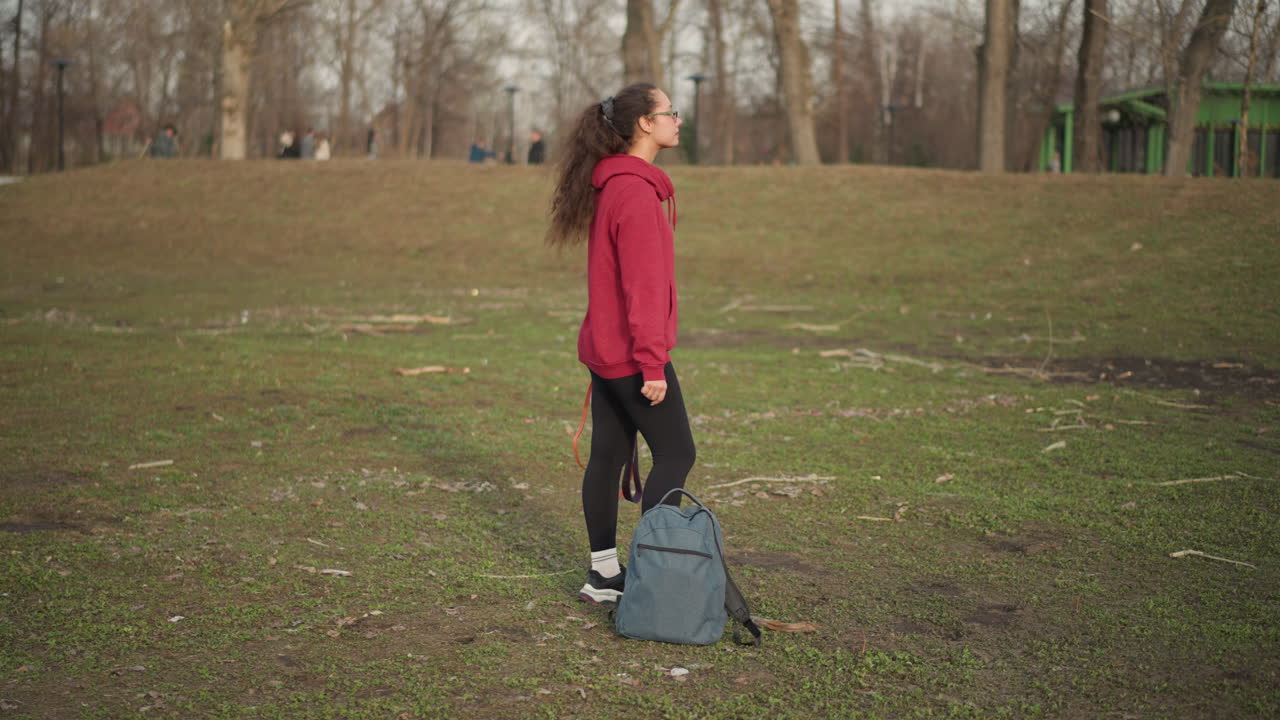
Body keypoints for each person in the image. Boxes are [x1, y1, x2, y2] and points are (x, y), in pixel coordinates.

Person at [545, 83, 691, 605]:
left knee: (608, 453)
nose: (678, 118)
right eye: (669, 111)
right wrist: (653, 363)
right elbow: (643, 287)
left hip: (605, 351)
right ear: (644, 125)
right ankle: (653, 577)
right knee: (676, 452)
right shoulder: (632, 191)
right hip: (631, 356)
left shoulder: (618, 186)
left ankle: (603, 576)